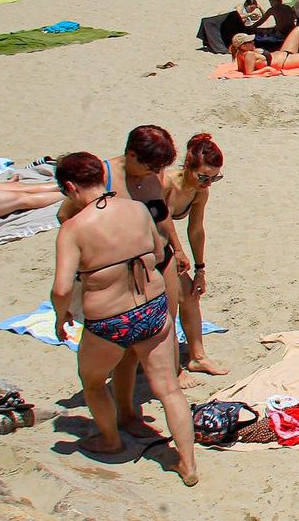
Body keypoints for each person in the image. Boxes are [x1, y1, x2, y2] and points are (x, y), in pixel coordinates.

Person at [49, 152, 197, 486]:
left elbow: (61, 289)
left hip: (110, 321)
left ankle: (111, 440)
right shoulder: (138, 210)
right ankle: (187, 464)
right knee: (170, 390)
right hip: (153, 312)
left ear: (71, 187)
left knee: (93, 382)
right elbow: (159, 255)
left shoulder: (73, 229)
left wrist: (61, 318)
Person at [157, 134, 227, 376]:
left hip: (167, 246)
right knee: (169, 303)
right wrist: (177, 251)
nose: (208, 183)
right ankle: (172, 366)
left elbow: (196, 230)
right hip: (145, 243)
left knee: (190, 294)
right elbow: (162, 220)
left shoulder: (199, 192)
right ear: (188, 166)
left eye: (214, 178)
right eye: (204, 177)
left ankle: (197, 356)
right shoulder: (166, 184)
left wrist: (200, 269)